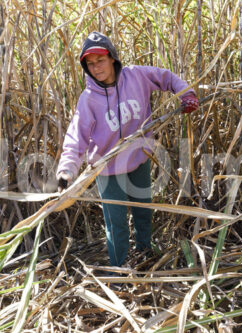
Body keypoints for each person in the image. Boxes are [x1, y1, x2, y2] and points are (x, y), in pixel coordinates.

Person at [56, 31, 199, 267]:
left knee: (144, 212)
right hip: (107, 169)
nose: (96, 68)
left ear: (112, 57)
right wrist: (66, 172)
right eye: (90, 64)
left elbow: (166, 77)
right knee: (117, 224)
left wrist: (186, 94)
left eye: (100, 60)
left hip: (138, 160)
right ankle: (118, 271)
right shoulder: (89, 99)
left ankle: (145, 256)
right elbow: (75, 140)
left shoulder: (137, 77)